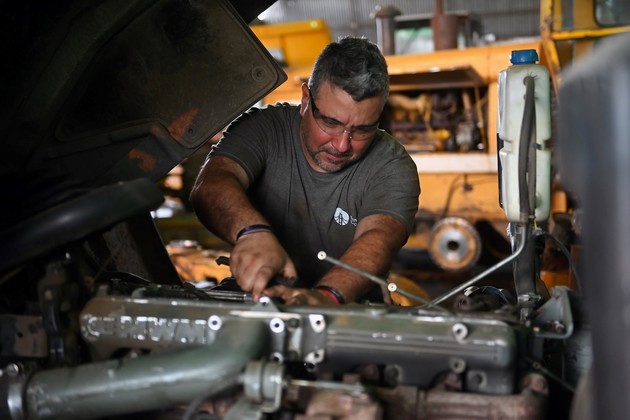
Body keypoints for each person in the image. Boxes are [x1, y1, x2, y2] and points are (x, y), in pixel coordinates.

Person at [189, 36, 420, 305]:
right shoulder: (265, 129)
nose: (342, 144)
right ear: (305, 99)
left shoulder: (392, 164)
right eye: (330, 122)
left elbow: (378, 238)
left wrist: (325, 297)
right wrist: (252, 232)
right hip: (260, 294)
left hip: (350, 305)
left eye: (362, 130)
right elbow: (211, 184)